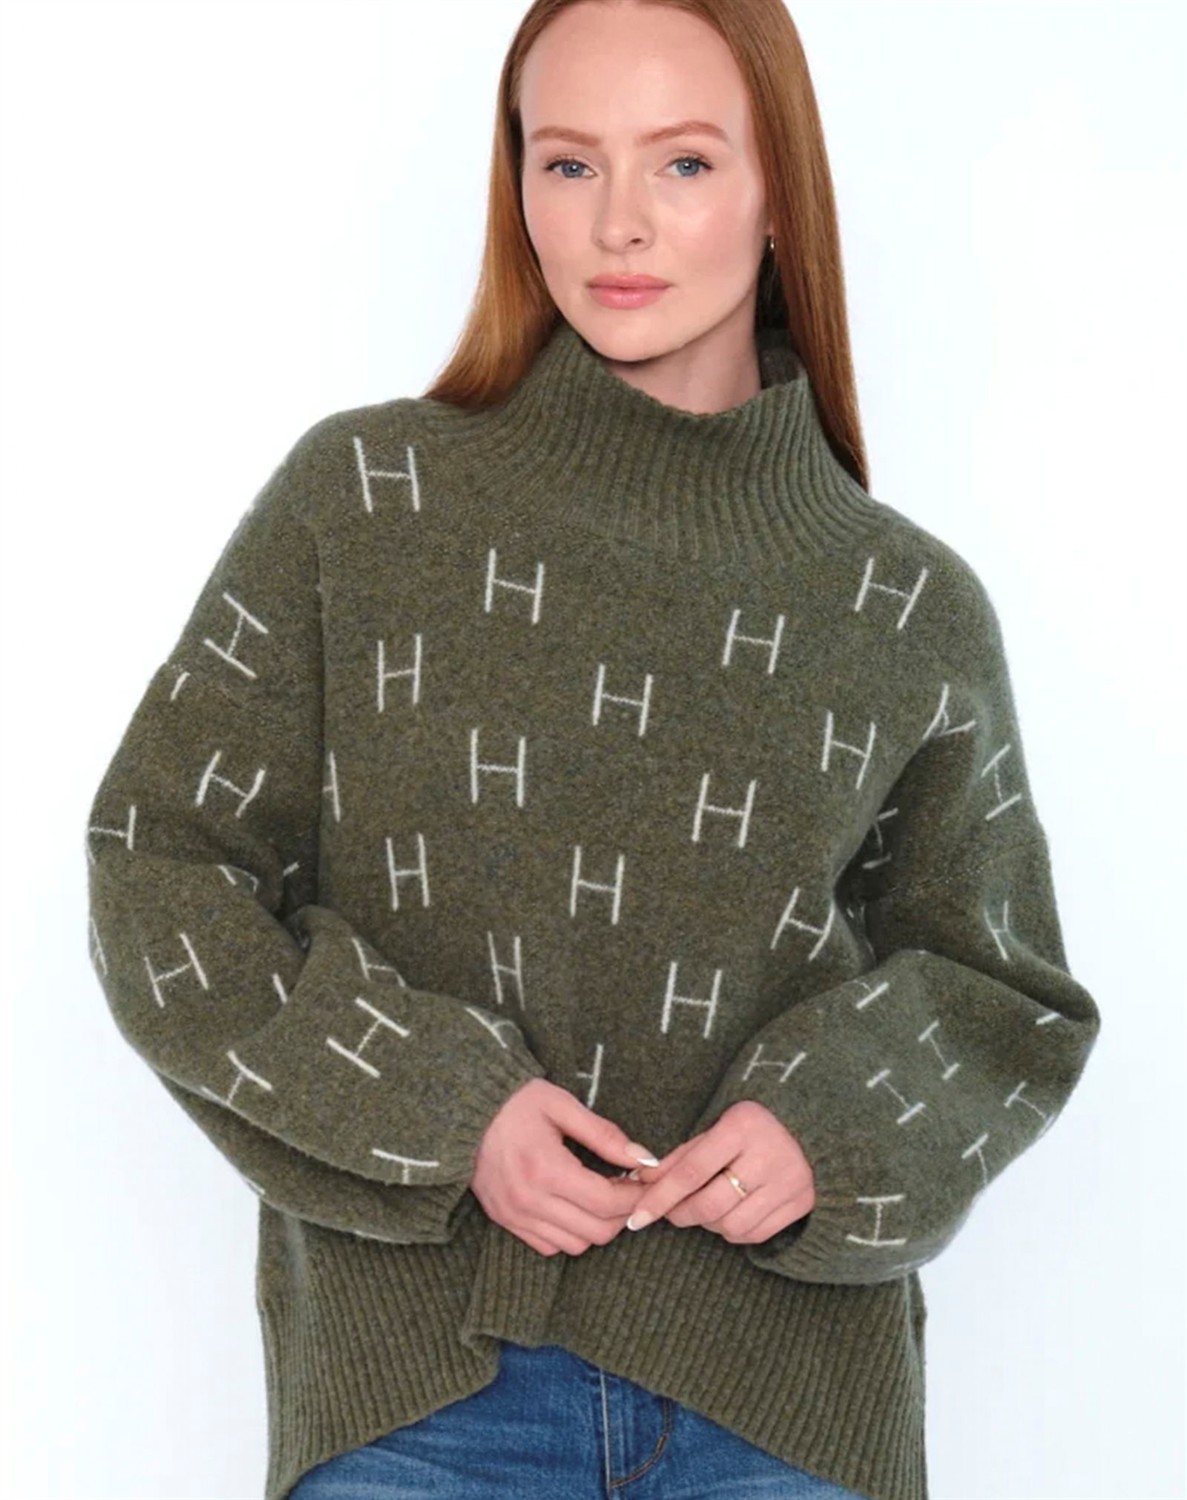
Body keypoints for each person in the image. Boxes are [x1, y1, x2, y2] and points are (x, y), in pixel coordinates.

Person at [82, 2, 1102, 1497]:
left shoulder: (902, 603)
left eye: (683, 163)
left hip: (786, 1412)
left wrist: (827, 1130)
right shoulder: (366, 503)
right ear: (519, 190)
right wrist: (448, 1112)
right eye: (568, 164)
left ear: (776, 196)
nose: (619, 220)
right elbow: (162, 873)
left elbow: (1001, 991)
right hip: (423, 1399)